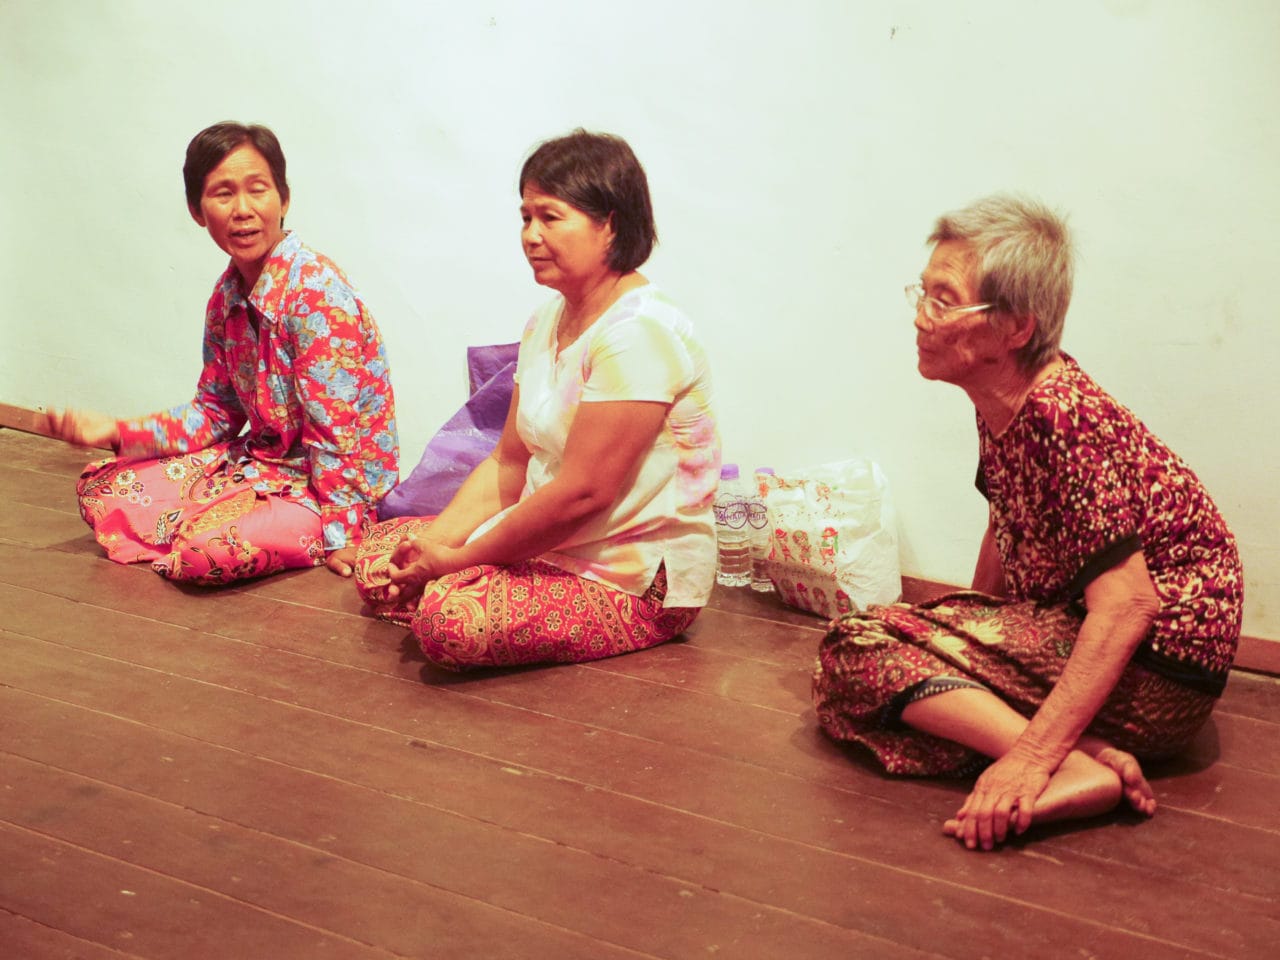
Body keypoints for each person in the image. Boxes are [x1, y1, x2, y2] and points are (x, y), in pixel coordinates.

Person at [813, 195, 1243, 850]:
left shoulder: (1061, 414)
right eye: (922, 294)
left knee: (858, 648)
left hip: (1158, 673)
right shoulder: (1005, 400)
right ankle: (1089, 749)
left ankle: (1066, 764)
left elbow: (1128, 606)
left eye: (944, 299)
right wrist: (968, 628)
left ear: (1015, 328)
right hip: (1093, 643)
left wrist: (1029, 758)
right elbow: (1004, 525)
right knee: (860, 663)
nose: (922, 319)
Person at [354, 129, 720, 670]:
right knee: (380, 558)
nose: (530, 235)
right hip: (548, 543)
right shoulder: (547, 319)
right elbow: (509, 460)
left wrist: (453, 561)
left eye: (551, 217)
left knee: (448, 624)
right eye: (525, 217)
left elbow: (581, 496)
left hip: (630, 574)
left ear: (610, 224)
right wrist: (437, 545)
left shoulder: (638, 332)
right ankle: (447, 578)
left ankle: (453, 587)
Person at [49, 122, 398, 585]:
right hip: (265, 467)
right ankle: (216, 518)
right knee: (102, 488)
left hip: (330, 487)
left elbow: (335, 438)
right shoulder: (226, 296)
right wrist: (117, 431)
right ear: (197, 211)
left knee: (205, 552)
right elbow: (214, 413)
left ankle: (222, 526)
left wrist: (346, 536)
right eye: (222, 194)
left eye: (258, 190)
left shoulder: (316, 295)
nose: (243, 211)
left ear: (284, 199)